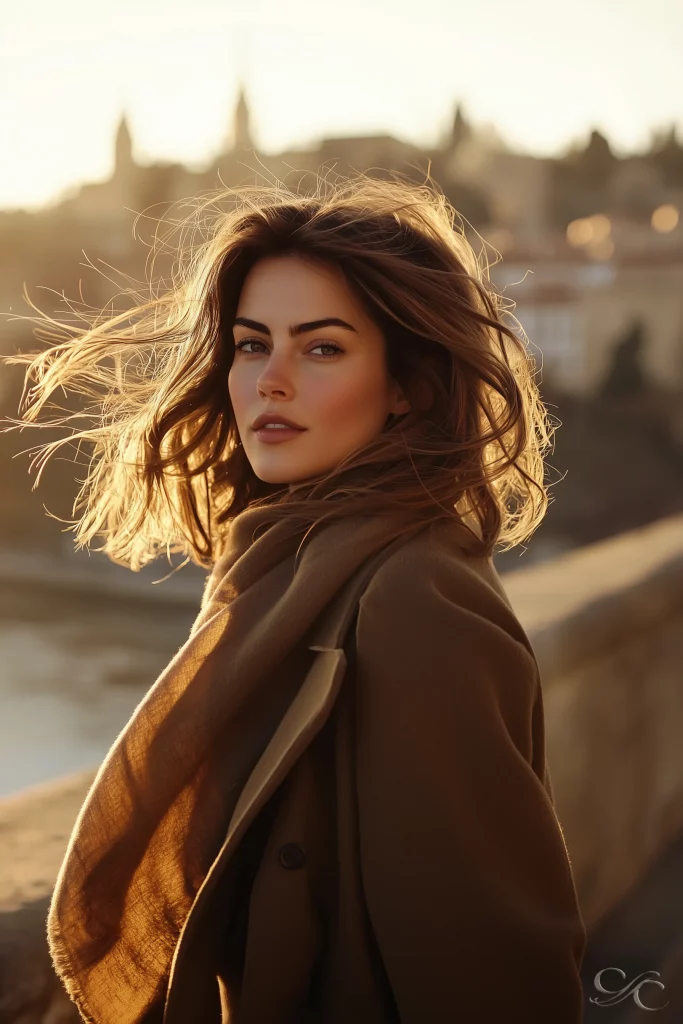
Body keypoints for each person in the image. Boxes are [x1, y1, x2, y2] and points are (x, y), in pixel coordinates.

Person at [6, 173, 586, 1022]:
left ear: (406, 386)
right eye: (251, 344)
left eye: (321, 348)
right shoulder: (279, 570)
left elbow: (494, 973)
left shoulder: (415, 599)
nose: (270, 380)